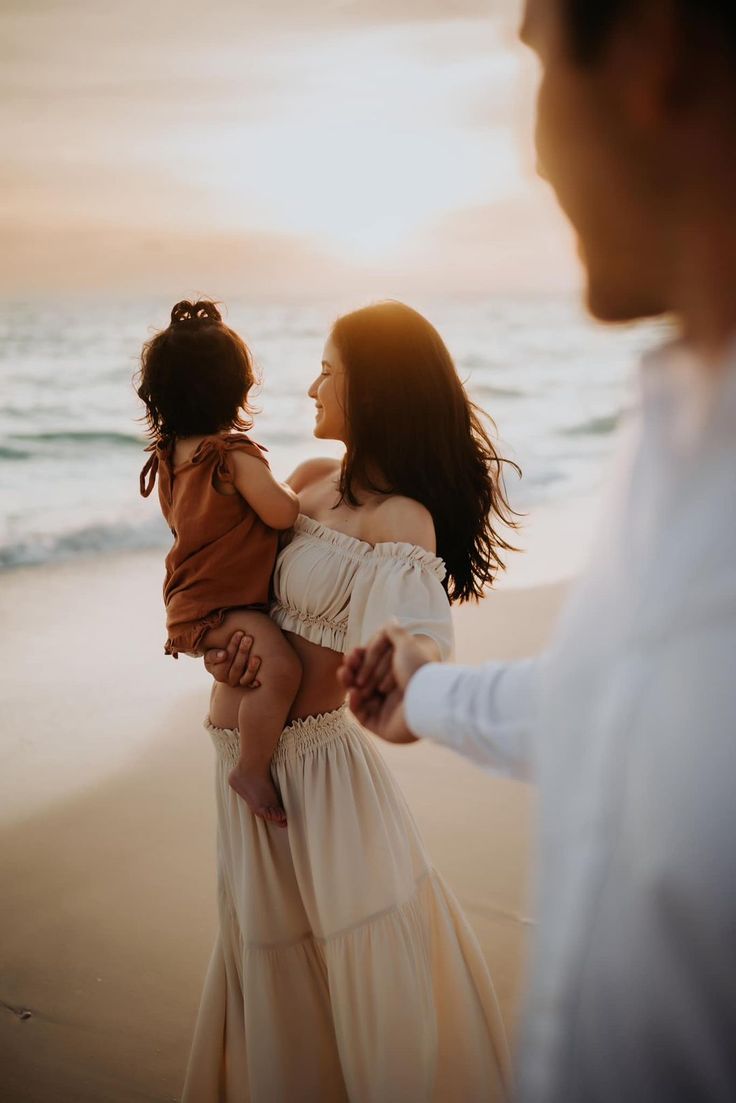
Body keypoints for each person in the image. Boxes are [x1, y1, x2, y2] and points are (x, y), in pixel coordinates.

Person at [341, 2, 736, 1101]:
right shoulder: (674, 433)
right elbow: (620, 706)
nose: (534, 154)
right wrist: (426, 696)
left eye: (539, 65)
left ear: (650, 52)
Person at [184, 301, 518, 1102]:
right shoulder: (303, 483)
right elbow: (228, 594)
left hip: (318, 783)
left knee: (356, 968)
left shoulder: (399, 519)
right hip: (242, 764)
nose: (310, 387)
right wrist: (212, 644)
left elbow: (412, 638)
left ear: (369, 390)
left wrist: (414, 667)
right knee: (266, 957)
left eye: (328, 372)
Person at [137, 299, 301, 827]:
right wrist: (296, 494)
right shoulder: (232, 456)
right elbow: (281, 512)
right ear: (238, 387)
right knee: (281, 671)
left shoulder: (169, 459)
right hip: (222, 605)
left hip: (188, 604)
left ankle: (246, 756)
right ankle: (252, 769)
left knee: (253, 672)